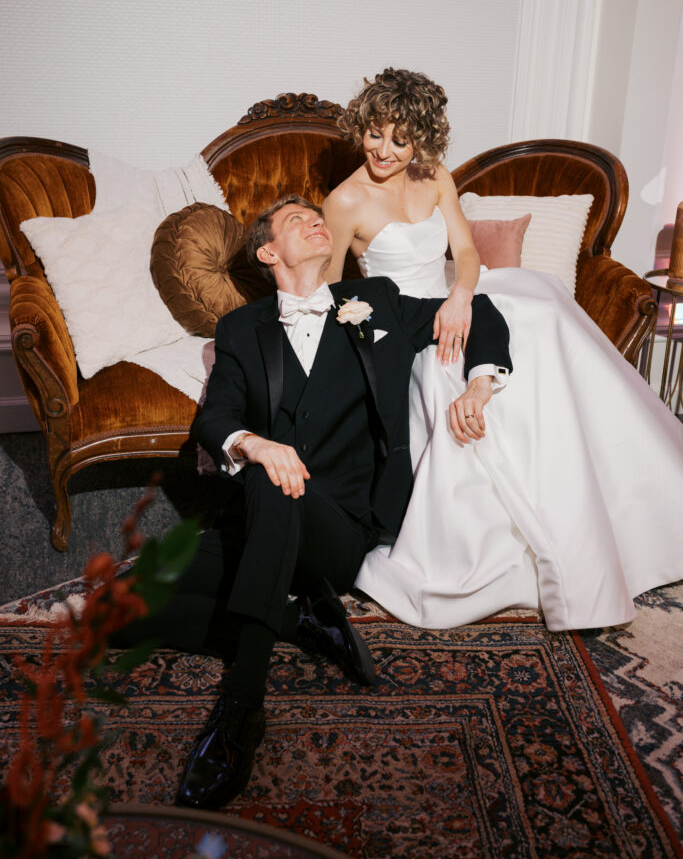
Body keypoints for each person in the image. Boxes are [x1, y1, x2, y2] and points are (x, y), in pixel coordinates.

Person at [118, 194, 511, 810]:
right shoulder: (241, 329)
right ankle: (297, 621)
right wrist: (254, 443)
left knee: (275, 483)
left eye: (317, 216)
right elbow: (214, 418)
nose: (315, 222)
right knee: (117, 606)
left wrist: (479, 387)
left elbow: (479, 310)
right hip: (256, 520)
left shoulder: (376, 301)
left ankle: (242, 708)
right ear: (268, 252)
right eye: (295, 220)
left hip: (340, 526)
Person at [323, 67, 683, 633]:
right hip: (409, 327)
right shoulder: (345, 199)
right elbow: (329, 293)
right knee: (456, 377)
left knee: (542, 312)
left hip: (460, 298)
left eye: (401, 138)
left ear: (422, 139)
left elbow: (466, 254)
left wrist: (461, 298)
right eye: (374, 133)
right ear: (361, 128)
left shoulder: (435, 177)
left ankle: (624, 510)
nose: (384, 150)